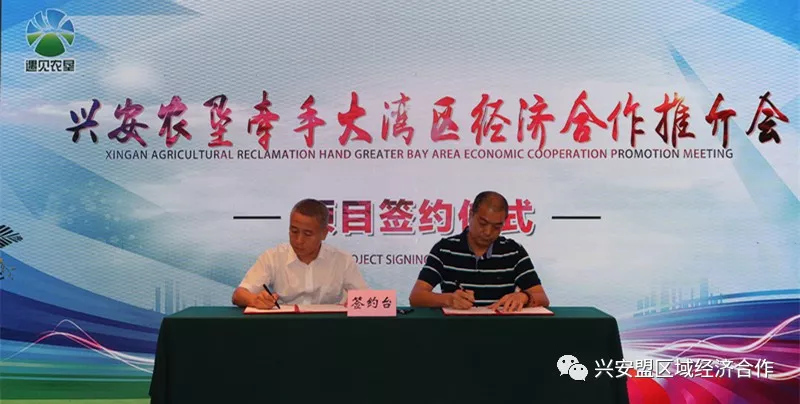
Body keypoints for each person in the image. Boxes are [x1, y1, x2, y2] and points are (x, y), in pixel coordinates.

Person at [409, 191, 549, 312]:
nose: (488, 232)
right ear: (470, 215)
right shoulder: (445, 249)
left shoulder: (514, 252)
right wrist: (448, 299)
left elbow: (543, 298)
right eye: (482, 223)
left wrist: (524, 297)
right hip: (455, 330)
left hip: (502, 330)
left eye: (497, 227)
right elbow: (416, 297)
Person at [232, 198, 369, 309]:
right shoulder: (273, 257)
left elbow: (368, 300)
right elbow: (239, 295)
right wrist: (255, 300)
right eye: (294, 231)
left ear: (324, 234)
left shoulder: (342, 260)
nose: (299, 240)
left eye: (307, 234)